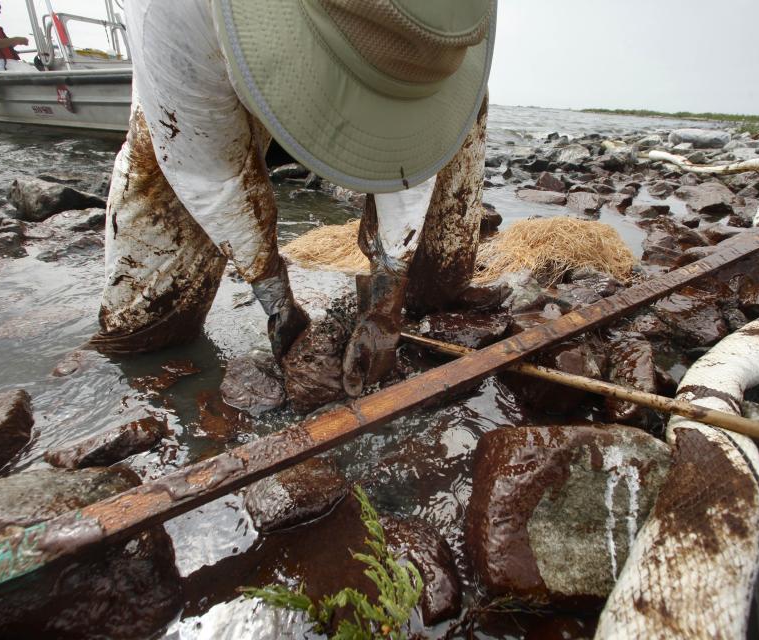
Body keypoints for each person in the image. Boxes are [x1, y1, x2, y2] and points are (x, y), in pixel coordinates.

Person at [91, 0, 496, 397]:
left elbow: (414, 156)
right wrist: (275, 297)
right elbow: (210, 171)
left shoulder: (452, 23)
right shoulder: (170, 13)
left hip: (430, 77)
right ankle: (142, 370)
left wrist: (388, 296)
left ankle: (428, 300)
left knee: (439, 276)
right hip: (197, 81)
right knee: (145, 324)